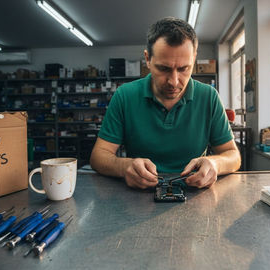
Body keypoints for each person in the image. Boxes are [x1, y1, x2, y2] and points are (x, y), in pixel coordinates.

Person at [90, 17, 241, 189]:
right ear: (147, 59)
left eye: (184, 68)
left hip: (195, 194)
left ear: (194, 59)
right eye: (164, 68)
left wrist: (215, 164)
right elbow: (98, 156)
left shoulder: (209, 96)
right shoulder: (125, 95)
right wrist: (125, 167)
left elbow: (233, 155)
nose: (174, 81)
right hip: (139, 196)